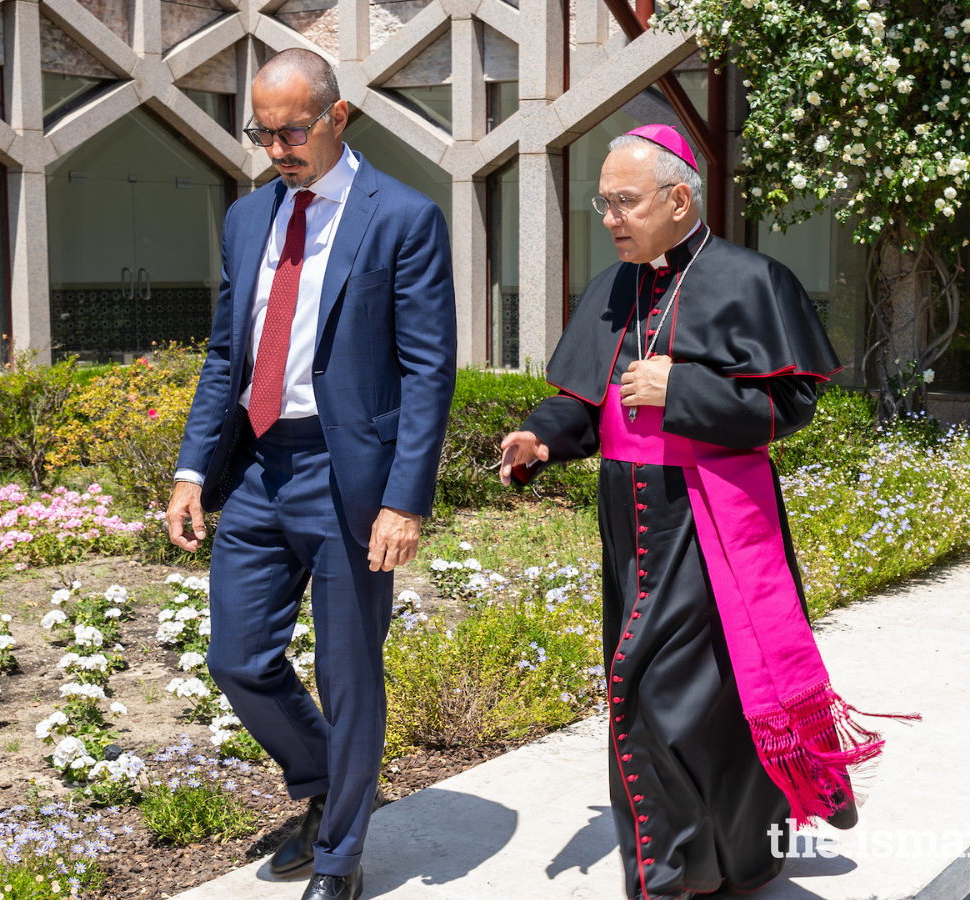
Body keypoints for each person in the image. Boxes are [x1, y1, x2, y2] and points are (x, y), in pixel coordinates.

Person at [499, 125, 903, 900]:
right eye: (603, 202)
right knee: (710, 699)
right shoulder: (615, 285)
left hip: (709, 515)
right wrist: (542, 438)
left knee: (654, 694)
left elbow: (791, 405)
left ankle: (674, 874)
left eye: (625, 202)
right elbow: (584, 403)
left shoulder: (752, 279)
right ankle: (738, 858)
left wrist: (680, 389)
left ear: (678, 199)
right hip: (630, 515)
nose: (610, 218)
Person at [166, 48, 457, 900]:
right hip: (257, 464)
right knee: (238, 658)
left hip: (349, 479)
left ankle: (339, 856)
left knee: (349, 672)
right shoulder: (248, 218)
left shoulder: (402, 217)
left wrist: (406, 498)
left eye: (292, 129)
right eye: (262, 131)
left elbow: (427, 370)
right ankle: (330, 781)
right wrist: (192, 470)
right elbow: (227, 355)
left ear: (337, 116)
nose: (276, 147)